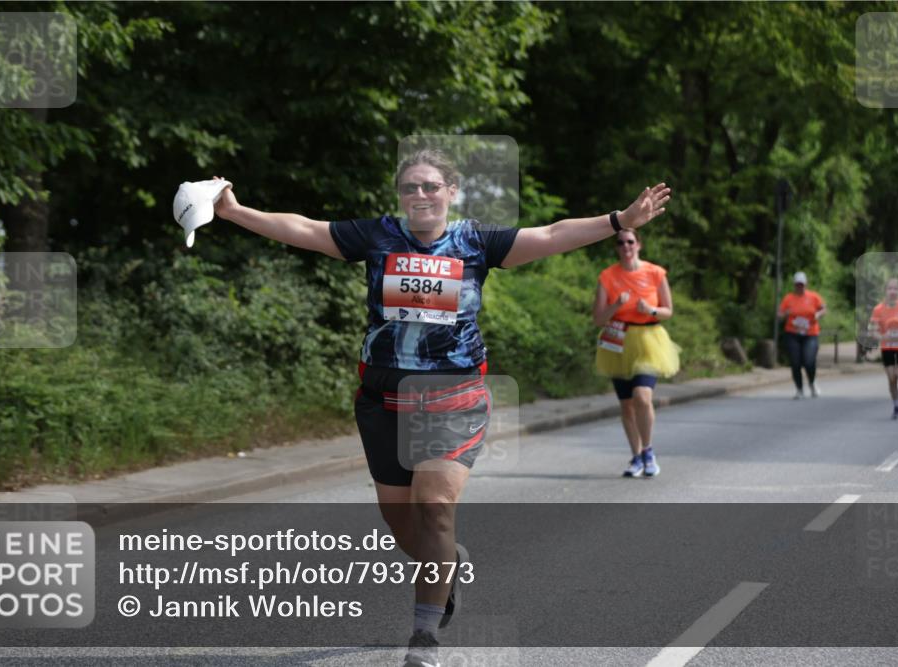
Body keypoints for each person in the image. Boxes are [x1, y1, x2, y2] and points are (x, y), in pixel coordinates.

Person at [211, 149, 671, 667]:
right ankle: (448, 561)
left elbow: (551, 234)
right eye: (410, 187)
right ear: (400, 195)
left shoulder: (475, 242)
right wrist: (234, 211)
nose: (421, 195)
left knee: (433, 508)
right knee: (400, 520)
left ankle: (424, 637)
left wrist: (619, 221)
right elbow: (304, 228)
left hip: (452, 395)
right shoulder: (377, 235)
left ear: (451, 192)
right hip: (381, 398)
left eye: (431, 186)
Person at [592, 229, 679, 478]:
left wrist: (650, 309)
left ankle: (648, 450)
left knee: (642, 397)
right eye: (620, 242)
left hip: (649, 340)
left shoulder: (654, 272)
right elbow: (598, 319)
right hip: (617, 341)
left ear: (638, 244)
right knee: (627, 406)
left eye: (630, 241)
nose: (625, 246)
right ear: (616, 248)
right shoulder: (607, 276)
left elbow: (668, 311)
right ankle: (636, 456)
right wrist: (616, 305)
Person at [869, 278, 898, 419]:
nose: (893, 291)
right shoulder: (878, 309)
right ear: (885, 291)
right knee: (892, 379)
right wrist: (882, 337)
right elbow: (873, 331)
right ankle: (896, 406)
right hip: (887, 348)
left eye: (895, 289)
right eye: (890, 288)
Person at [777, 272, 827, 399]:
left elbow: (823, 309)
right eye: (797, 285)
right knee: (795, 362)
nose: (800, 287)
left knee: (809, 361)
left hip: (810, 333)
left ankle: (812, 382)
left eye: (802, 285)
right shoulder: (788, 298)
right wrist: (785, 314)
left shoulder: (813, 297)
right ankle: (799, 388)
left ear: (805, 284)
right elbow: (779, 315)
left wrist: (818, 314)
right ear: (794, 285)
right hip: (793, 333)